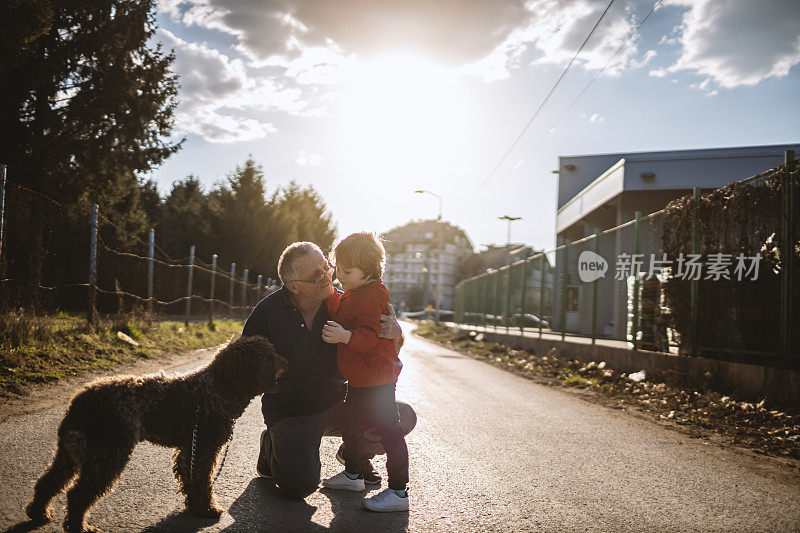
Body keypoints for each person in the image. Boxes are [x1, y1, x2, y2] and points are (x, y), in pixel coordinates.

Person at [241, 241, 416, 499]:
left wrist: (397, 333)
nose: (328, 277)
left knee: (404, 416)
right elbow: (243, 363)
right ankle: (271, 446)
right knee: (299, 486)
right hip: (292, 413)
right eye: (317, 275)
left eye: (327, 267)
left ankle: (353, 456)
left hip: (339, 403)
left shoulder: (343, 303)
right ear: (294, 286)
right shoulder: (267, 313)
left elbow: (379, 344)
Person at [320, 232, 410, 512]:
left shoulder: (373, 295)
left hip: (378, 379)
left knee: (390, 432)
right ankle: (353, 475)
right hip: (360, 378)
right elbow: (340, 305)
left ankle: (398, 492)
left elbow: (371, 335)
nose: (340, 276)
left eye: (347, 271)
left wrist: (345, 336)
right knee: (352, 426)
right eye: (338, 270)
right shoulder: (355, 292)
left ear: (368, 270)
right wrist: (328, 292)